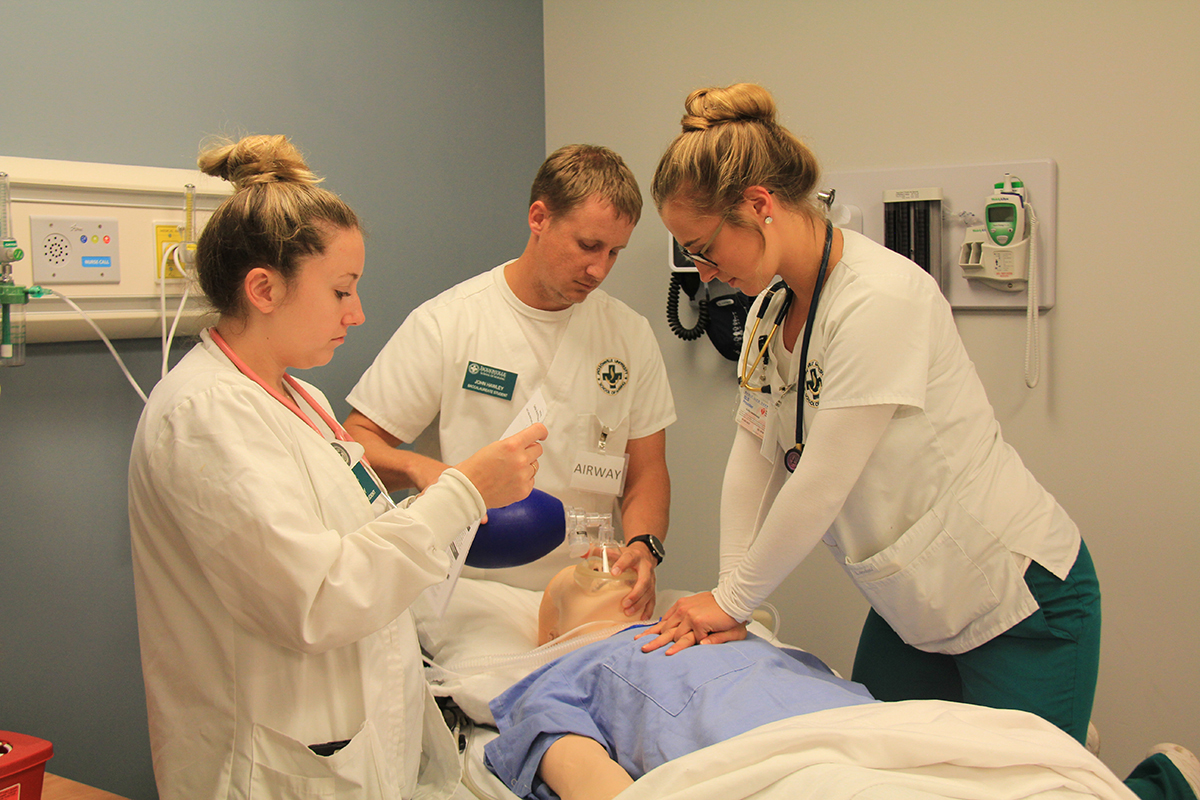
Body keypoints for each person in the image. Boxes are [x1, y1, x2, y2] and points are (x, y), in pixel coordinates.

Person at [638, 83, 1102, 748]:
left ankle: (1164, 783)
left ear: (759, 205)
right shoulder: (772, 311)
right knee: (876, 771)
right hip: (913, 602)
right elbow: (752, 457)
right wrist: (727, 591)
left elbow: (821, 483)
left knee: (1030, 790)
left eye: (705, 248)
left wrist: (734, 602)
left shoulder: (881, 299)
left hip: (1016, 598)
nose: (705, 273)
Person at [128, 134, 547, 800]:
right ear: (264, 288)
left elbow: (361, 548)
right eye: (341, 291)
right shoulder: (206, 417)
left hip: (349, 748)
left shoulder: (301, 398)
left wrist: (438, 494)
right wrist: (465, 492)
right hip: (271, 767)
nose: (357, 313)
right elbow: (319, 600)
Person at [487, 560, 1199, 800]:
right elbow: (592, 782)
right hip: (767, 767)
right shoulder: (563, 673)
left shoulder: (726, 621)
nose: (603, 556)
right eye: (577, 572)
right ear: (551, 631)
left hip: (863, 732)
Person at [344, 144, 675, 617]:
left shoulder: (628, 335)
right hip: (474, 593)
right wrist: (424, 471)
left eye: (614, 252)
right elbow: (357, 441)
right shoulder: (450, 322)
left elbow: (647, 471)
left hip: (589, 590)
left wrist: (645, 544)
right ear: (539, 218)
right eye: (587, 245)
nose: (599, 269)